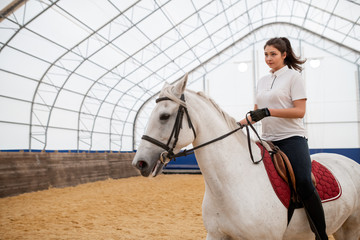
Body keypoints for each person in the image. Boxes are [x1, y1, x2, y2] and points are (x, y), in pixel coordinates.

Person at [239, 37, 328, 240]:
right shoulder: (262, 81)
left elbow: (300, 111)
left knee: (304, 181)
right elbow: (255, 114)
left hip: (291, 138)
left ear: (284, 55)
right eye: (266, 54)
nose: (268, 58)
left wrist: (270, 112)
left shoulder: (294, 78)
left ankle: (321, 235)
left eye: (273, 54)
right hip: (266, 140)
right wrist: (236, 125)